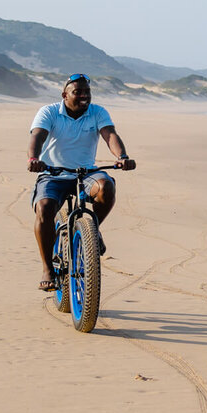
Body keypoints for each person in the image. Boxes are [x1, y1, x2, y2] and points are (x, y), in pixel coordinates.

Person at [27, 73, 136, 291]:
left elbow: (109, 135)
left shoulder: (97, 112)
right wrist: (34, 159)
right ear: (65, 95)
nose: (84, 96)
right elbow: (37, 136)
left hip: (86, 173)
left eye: (87, 92)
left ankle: (92, 230)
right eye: (78, 92)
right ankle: (48, 268)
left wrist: (122, 157)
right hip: (53, 173)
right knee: (45, 208)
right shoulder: (48, 112)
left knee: (106, 187)